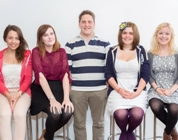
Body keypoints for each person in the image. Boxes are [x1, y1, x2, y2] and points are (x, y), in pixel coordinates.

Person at [64, 10, 110, 140]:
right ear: (79, 24)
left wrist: (107, 84)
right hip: (78, 91)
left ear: (94, 23)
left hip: (99, 90)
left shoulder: (104, 43)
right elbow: (68, 70)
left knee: (99, 123)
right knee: (79, 125)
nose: (86, 24)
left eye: (89, 22)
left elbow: (109, 67)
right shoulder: (70, 44)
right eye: (83, 22)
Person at [105, 22, 150, 140]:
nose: (127, 36)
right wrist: (119, 90)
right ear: (121, 34)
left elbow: (145, 75)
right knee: (121, 114)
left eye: (131, 33)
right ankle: (125, 133)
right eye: (125, 33)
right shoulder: (112, 51)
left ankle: (128, 132)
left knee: (137, 114)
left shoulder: (141, 50)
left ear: (135, 35)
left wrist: (137, 92)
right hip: (117, 90)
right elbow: (108, 74)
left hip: (137, 91)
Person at [30, 24, 74, 140]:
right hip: (42, 90)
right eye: (46, 35)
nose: (50, 37)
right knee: (55, 114)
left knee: (68, 111)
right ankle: (49, 137)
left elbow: (65, 74)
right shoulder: (36, 51)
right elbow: (40, 76)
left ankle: (46, 135)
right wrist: (52, 99)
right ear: (41, 39)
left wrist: (66, 98)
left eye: (52, 33)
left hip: (59, 88)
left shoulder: (61, 51)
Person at [0, 25, 32, 140]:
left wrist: (18, 94)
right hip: (4, 92)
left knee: (19, 114)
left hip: (22, 92)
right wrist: (8, 95)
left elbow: (28, 78)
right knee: (4, 115)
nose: (14, 41)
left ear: (20, 40)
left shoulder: (27, 54)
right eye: (10, 38)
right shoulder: (0, 55)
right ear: (5, 39)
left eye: (17, 38)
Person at [148, 22, 178, 140]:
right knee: (155, 106)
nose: (163, 36)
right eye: (160, 33)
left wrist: (171, 90)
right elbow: (148, 75)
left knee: (175, 109)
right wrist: (156, 88)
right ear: (156, 35)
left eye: (167, 34)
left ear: (171, 36)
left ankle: (167, 133)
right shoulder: (150, 54)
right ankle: (173, 131)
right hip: (156, 89)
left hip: (173, 89)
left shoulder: (176, 54)